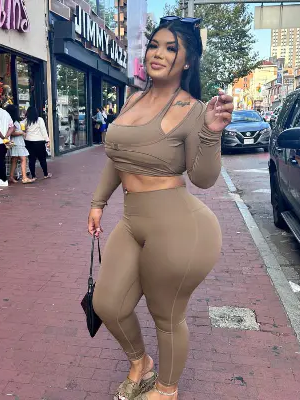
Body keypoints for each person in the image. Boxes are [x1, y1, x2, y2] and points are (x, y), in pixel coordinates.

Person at [87, 17, 233, 400]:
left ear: (187, 61)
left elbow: (203, 178)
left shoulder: (193, 109)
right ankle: (142, 363)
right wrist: (98, 202)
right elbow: (118, 158)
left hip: (179, 227)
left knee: (165, 315)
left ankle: (166, 390)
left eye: (171, 48)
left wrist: (211, 133)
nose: (159, 53)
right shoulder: (132, 99)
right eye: (154, 45)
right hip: (132, 219)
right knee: (107, 303)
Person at [5, 105, 35, 184]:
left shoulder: (12, 121)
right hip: (18, 143)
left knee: (14, 160)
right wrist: (21, 133)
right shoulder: (14, 122)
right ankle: (24, 177)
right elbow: (12, 133)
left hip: (15, 142)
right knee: (23, 159)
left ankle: (11, 176)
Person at [23, 107, 52, 179]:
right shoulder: (40, 120)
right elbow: (43, 131)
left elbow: (23, 130)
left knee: (31, 159)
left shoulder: (26, 121)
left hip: (29, 141)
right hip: (39, 142)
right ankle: (45, 174)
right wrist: (47, 140)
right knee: (42, 159)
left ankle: (33, 176)